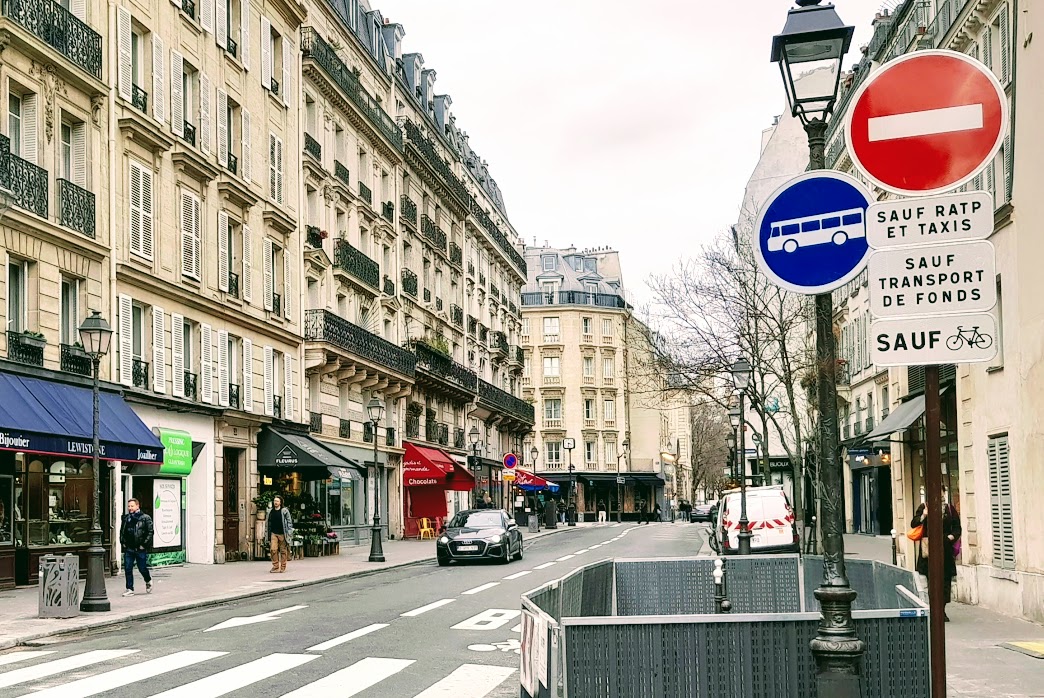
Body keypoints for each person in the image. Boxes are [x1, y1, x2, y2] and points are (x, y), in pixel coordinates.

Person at [911, 501, 962, 621]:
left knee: (945, 583)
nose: (941, 496)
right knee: (932, 582)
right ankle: (934, 610)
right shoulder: (924, 506)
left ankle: (942, 609)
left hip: (946, 550)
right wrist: (924, 515)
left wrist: (952, 536)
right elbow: (914, 524)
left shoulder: (949, 509)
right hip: (929, 550)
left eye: (942, 493)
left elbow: (957, 527)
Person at [119, 498, 154, 596]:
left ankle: (148, 580)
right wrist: (123, 542)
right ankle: (130, 588)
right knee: (128, 568)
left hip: (140, 548)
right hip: (129, 548)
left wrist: (144, 545)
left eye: (132, 506)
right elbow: (122, 531)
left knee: (142, 568)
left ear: (137, 506)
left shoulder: (145, 518)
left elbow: (150, 532)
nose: (130, 508)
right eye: (129, 506)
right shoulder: (126, 518)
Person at [266, 495, 294, 573]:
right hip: (274, 533)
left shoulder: (284, 511)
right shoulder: (270, 511)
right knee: (273, 549)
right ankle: (275, 566)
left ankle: (283, 566)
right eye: (274, 501)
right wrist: (266, 533)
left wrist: (289, 532)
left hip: (283, 533)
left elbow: (289, 521)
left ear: (280, 502)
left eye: (277, 501)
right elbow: (268, 523)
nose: (275, 502)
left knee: (283, 551)